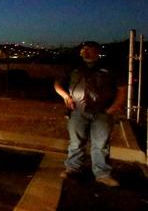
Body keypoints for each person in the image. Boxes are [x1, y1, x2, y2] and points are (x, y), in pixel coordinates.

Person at [53, 41, 126, 187]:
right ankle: (73, 169)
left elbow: (122, 89)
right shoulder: (74, 67)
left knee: (101, 144)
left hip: (102, 112)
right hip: (78, 111)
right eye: (83, 49)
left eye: (89, 49)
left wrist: (114, 107)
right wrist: (66, 97)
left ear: (97, 51)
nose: (85, 51)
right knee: (76, 142)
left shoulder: (109, 67)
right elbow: (57, 84)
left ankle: (102, 175)